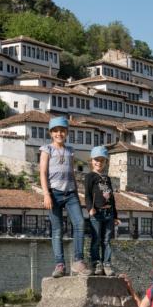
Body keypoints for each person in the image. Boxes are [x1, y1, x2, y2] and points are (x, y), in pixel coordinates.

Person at [40, 116, 91, 277]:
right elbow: (42, 173)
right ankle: (60, 265)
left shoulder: (70, 151)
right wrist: (46, 195)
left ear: (67, 133)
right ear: (51, 133)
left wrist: (76, 192)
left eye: (62, 131)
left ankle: (78, 261)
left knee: (80, 223)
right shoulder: (46, 149)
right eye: (56, 131)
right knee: (57, 230)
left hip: (70, 194)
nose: (59, 134)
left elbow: (71, 173)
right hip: (53, 193)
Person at [85, 146, 120, 276]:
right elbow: (87, 195)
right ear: (91, 161)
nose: (99, 163)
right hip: (97, 212)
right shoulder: (90, 176)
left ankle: (107, 263)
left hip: (109, 213)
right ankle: (96, 263)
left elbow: (112, 198)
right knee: (96, 239)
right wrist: (90, 209)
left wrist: (115, 216)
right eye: (96, 160)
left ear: (106, 162)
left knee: (106, 240)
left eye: (102, 160)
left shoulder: (107, 179)